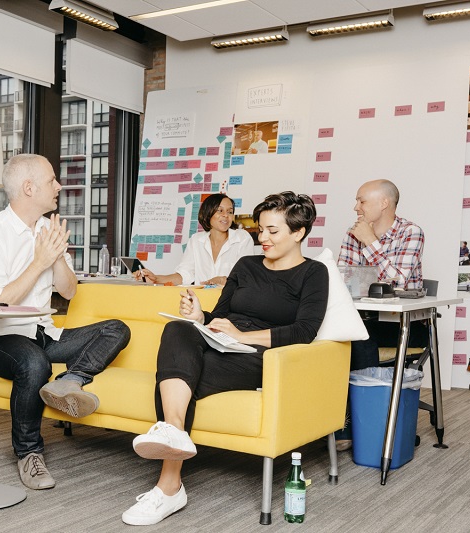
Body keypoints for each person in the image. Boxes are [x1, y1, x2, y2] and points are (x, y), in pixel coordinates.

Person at [122, 192, 329, 526]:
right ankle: (173, 431)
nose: (262, 238)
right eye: (260, 230)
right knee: (179, 328)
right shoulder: (246, 265)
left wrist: (242, 337)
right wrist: (200, 316)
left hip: (260, 354)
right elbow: (219, 316)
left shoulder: (313, 273)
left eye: (273, 231)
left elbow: (304, 331)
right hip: (221, 340)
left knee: (179, 379)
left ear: (299, 233)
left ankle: (168, 486)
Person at [0, 154, 131, 491]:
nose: (59, 186)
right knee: (34, 362)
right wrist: (38, 261)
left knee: (116, 329)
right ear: (29, 188)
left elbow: (70, 292)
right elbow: (1, 302)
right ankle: (29, 454)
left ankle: (69, 381)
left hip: (42, 331)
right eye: (52, 180)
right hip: (0, 337)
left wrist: (56, 260)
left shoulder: (47, 229)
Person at [336, 179, 426, 449]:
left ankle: (351, 424)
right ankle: (329, 419)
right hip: (363, 319)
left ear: (384, 203)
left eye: (361, 201)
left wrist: (370, 242)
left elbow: (396, 283)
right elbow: (343, 280)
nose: (356, 207)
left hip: (404, 325)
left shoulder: (411, 232)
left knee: (358, 339)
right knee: (334, 336)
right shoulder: (353, 234)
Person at [133, 193, 255, 287]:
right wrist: (156, 279)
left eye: (230, 212)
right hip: (201, 303)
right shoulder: (196, 240)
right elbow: (184, 275)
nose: (226, 215)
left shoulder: (242, 238)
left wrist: (223, 280)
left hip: (232, 303)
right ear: (208, 212)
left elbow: (247, 278)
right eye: (220, 210)